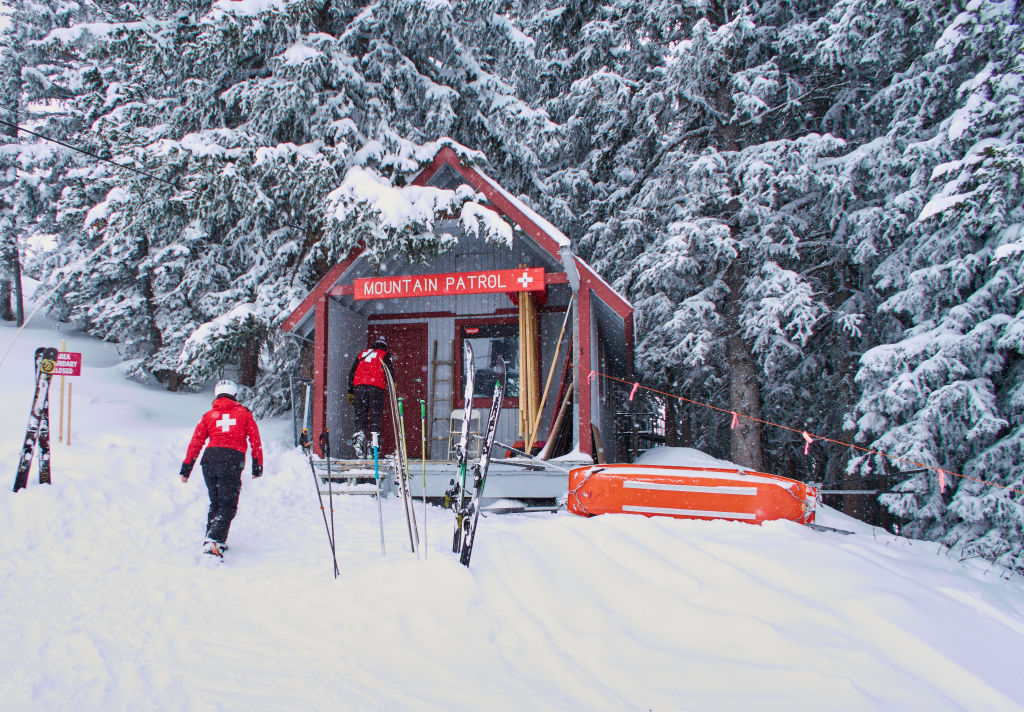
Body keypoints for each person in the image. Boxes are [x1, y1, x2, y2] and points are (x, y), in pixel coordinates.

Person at [179, 379, 263, 557]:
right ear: (235, 395)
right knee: (229, 504)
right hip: (231, 461)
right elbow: (255, 441)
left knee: (216, 502)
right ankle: (214, 540)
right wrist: (258, 466)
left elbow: (196, 443)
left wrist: (186, 468)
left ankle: (213, 540)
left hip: (209, 461)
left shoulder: (208, 415)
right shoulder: (244, 414)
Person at [347, 335, 392, 460]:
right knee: (375, 416)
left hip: (359, 388)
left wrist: (351, 391)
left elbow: (352, 372)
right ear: (384, 346)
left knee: (360, 415)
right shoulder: (384, 355)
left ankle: (359, 438)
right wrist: (393, 385)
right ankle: (374, 445)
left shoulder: (362, 354)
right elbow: (390, 373)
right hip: (376, 389)